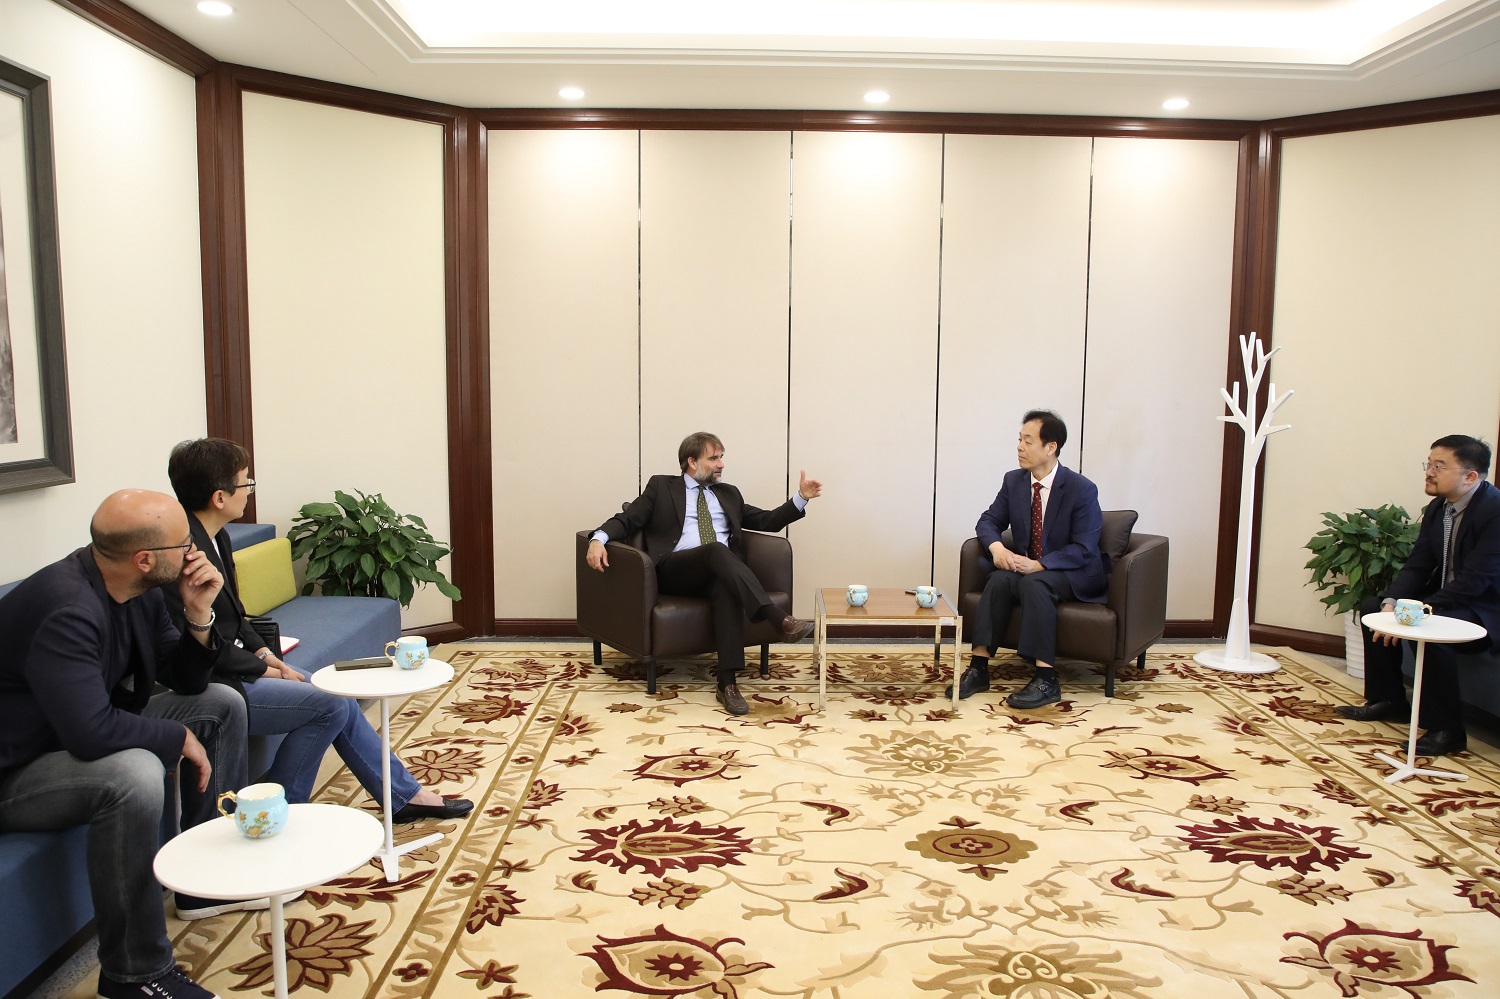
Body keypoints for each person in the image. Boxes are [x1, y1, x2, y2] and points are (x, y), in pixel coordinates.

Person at [164, 438, 473, 844]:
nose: (250, 490)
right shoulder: (183, 555)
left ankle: (400, 796)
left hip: (238, 663)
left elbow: (236, 615)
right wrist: (262, 668)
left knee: (335, 696)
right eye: (246, 482)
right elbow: (196, 638)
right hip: (214, 684)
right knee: (330, 705)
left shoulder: (216, 536)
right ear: (219, 497)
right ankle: (281, 811)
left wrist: (263, 651)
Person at [0, 489, 246, 999]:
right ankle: (134, 975)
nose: (194, 552)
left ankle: (205, 880)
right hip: (17, 768)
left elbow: (187, 682)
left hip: (64, 734)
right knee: (133, 773)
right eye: (184, 544)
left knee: (221, 703)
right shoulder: (67, 608)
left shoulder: (137, 590)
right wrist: (175, 736)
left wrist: (199, 615)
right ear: (145, 559)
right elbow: (89, 732)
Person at [585, 432, 820, 715]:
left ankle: (727, 684)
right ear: (692, 462)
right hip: (675, 570)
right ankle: (777, 618)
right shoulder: (661, 487)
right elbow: (627, 519)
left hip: (718, 571)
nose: (721, 464)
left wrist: (801, 498)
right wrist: (597, 539)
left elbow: (767, 521)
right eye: (714, 458)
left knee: (726, 586)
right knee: (716, 550)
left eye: (721, 457)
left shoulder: (728, 493)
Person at [1337, 435, 1499, 756]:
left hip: (1485, 607)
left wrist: (1422, 609)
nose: (1429, 472)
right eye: (1429, 464)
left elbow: (1477, 581)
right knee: (1373, 608)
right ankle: (1389, 701)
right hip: (1449, 599)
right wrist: (1391, 602)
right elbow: (1419, 563)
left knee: (1428, 628)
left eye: (1440, 466)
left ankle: (1447, 730)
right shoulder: (1440, 508)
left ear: (1470, 476)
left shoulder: (1495, 511)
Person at [948, 409, 1107, 709]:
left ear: (1051, 447)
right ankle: (979, 668)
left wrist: (1040, 565)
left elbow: (1084, 548)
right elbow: (988, 521)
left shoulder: (1081, 489)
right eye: (1019, 440)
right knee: (998, 580)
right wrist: (998, 549)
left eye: (1028, 441)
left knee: (1035, 583)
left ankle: (1046, 679)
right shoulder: (1015, 482)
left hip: (1073, 571)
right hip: (1029, 568)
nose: (1020, 447)